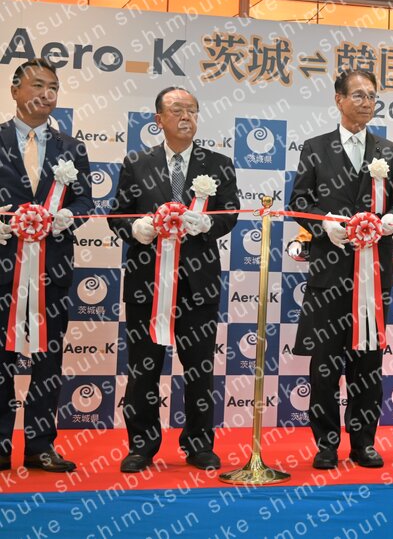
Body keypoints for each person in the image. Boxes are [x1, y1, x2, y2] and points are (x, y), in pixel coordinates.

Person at [108, 87, 239, 473]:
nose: (186, 117)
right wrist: (137, 228)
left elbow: (230, 214)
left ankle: (199, 444)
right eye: (177, 110)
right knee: (143, 369)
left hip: (199, 284)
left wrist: (208, 223)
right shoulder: (137, 163)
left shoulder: (218, 163)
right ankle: (141, 446)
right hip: (147, 284)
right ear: (158, 119)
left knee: (199, 370)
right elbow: (118, 215)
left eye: (192, 110)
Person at [289, 69, 393, 470]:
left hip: (374, 274)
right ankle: (326, 443)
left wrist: (391, 220)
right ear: (338, 99)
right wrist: (323, 223)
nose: (366, 102)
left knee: (367, 365)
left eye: (371, 96)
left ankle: (363, 443)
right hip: (329, 274)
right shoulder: (315, 148)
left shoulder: (388, 150)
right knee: (324, 366)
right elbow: (299, 201)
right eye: (357, 95)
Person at [0, 58, 92, 472]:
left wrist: (67, 216)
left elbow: (85, 201)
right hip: (3, 268)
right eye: (37, 85)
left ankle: (40, 445)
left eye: (52, 87)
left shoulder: (71, 148)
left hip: (50, 271)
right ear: (15, 90)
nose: (46, 93)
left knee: (48, 361)